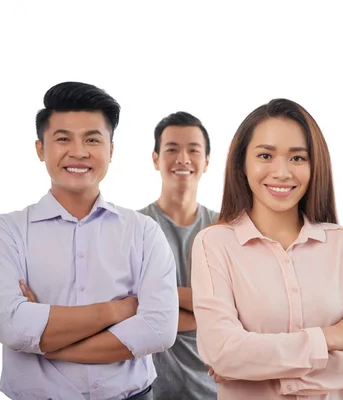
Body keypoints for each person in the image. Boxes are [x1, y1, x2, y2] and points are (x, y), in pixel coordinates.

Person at [0, 81, 179, 400]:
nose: (78, 152)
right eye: (63, 139)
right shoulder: (6, 232)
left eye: (92, 139)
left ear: (111, 151)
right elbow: (13, 328)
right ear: (40, 149)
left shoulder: (143, 232)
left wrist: (44, 338)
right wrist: (116, 312)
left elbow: (158, 330)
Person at [190, 98, 343, 400]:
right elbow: (223, 351)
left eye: (297, 158)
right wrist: (332, 337)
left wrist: (258, 368)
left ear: (314, 164)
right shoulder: (214, 243)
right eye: (265, 155)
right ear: (242, 163)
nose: (282, 172)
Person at [138, 111, 218, 400]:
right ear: (155, 158)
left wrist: (158, 300)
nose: (183, 158)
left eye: (193, 150)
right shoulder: (134, 229)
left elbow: (246, 309)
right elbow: (123, 310)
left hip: (217, 391)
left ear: (206, 161)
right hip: (148, 392)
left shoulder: (225, 230)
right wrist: (212, 310)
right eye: (172, 149)